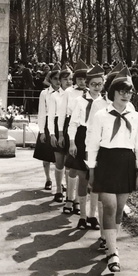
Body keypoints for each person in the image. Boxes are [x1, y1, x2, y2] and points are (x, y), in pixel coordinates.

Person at [88, 66, 138, 273]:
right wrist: (91, 169)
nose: (126, 95)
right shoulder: (101, 115)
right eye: (121, 90)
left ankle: (111, 244)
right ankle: (113, 253)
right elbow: (93, 144)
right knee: (110, 207)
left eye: (129, 91)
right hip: (106, 161)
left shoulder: (136, 117)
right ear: (112, 92)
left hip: (127, 163)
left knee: (120, 209)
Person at [64, 65, 104, 230]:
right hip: (81, 137)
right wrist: (72, 143)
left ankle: (92, 215)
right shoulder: (79, 101)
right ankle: (81, 215)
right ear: (88, 84)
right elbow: (73, 124)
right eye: (93, 84)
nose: (96, 87)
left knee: (94, 180)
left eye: (99, 84)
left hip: (97, 140)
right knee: (82, 177)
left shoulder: (105, 103)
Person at [57, 58, 89, 213]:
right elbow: (62, 114)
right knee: (72, 166)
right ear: (75, 79)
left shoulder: (91, 94)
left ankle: (78, 199)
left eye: (85, 79)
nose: (83, 82)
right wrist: (62, 135)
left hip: (86, 130)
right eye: (80, 78)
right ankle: (69, 199)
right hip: (71, 127)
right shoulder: (68, 92)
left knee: (82, 168)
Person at [33, 64, 61, 190]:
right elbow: (41, 112)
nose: (58, 81)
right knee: (46, 155)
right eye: (55, 78)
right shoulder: (44, 93)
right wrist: (42, 131)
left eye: (60, 78)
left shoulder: (65, 93)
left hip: (59, 125)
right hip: (47, 125)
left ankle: (60, 182)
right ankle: (48, 179)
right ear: (50, 80)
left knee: (60, 156)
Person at [48, 64, 73, 202]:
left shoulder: (75, 95)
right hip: (59, 129)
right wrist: (52, 134)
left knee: (69, 163)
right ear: (60, 81)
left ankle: (70, 193)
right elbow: (51, 117)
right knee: (59, 162)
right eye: (65, 79)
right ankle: (58, 189)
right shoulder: (55, 96)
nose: (68, 82)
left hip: (70, 129)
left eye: (70, 79)